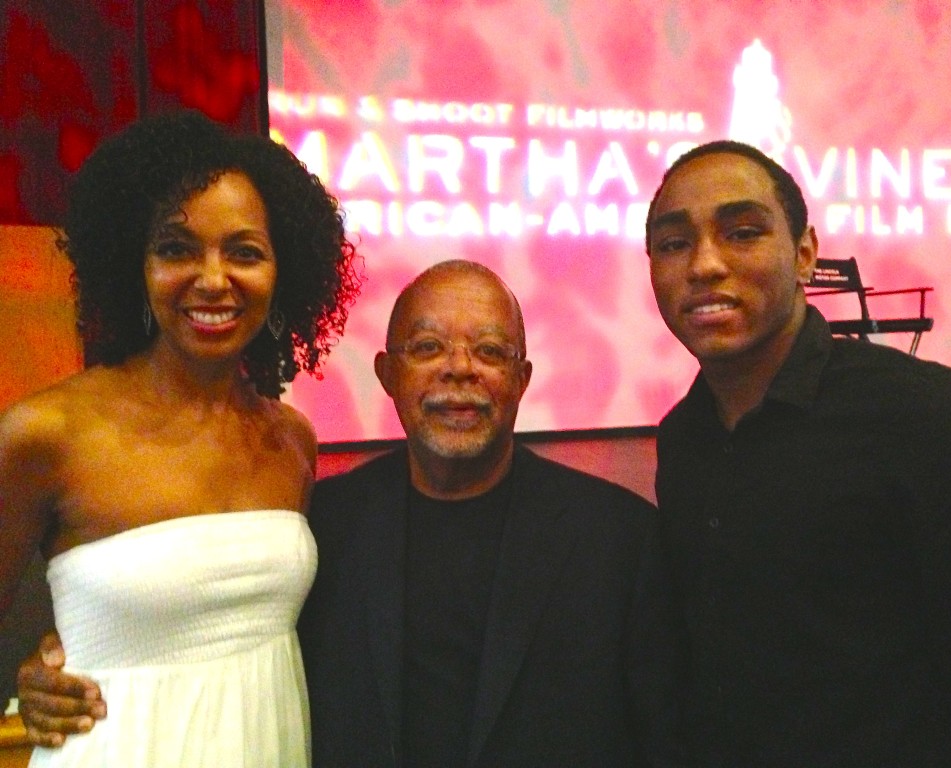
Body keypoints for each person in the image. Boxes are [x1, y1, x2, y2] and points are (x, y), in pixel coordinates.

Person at [16, 259, 684, 767]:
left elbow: (663, 736)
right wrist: (47, 672)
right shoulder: (317, 529)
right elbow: (208, 628)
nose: (461, 370)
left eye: (490, 351)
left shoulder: (619, 539)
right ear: (388, 373)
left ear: (523, 379)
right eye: (428, 349)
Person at [645, 138, 951, 766]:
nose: (704, 264)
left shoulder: (929, 420)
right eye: (674, 243)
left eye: (741, 232)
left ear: (804, 255)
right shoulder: (684, 437)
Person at [0, 109, 360, 767]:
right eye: (176, 248)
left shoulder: (290, 442)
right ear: (132, 263)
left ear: (284, 272)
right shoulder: (45, 433)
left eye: (244, 252)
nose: (213, 278)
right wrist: (28, 683)